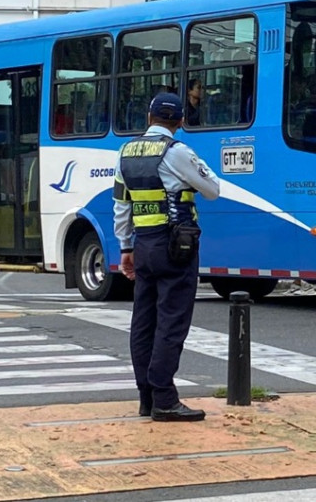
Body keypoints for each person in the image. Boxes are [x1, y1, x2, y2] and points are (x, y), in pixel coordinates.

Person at [113, 92, 220, 422]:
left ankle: (146, 397)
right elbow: (213, 189)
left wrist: (126, 248)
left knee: (143, 323)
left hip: (143, 245)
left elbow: (121, 205)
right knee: (171, 323)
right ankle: (165, 399)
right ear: (180, 121)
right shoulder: (177, 152)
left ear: (149, 117)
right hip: (175, 247)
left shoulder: (125, 152)